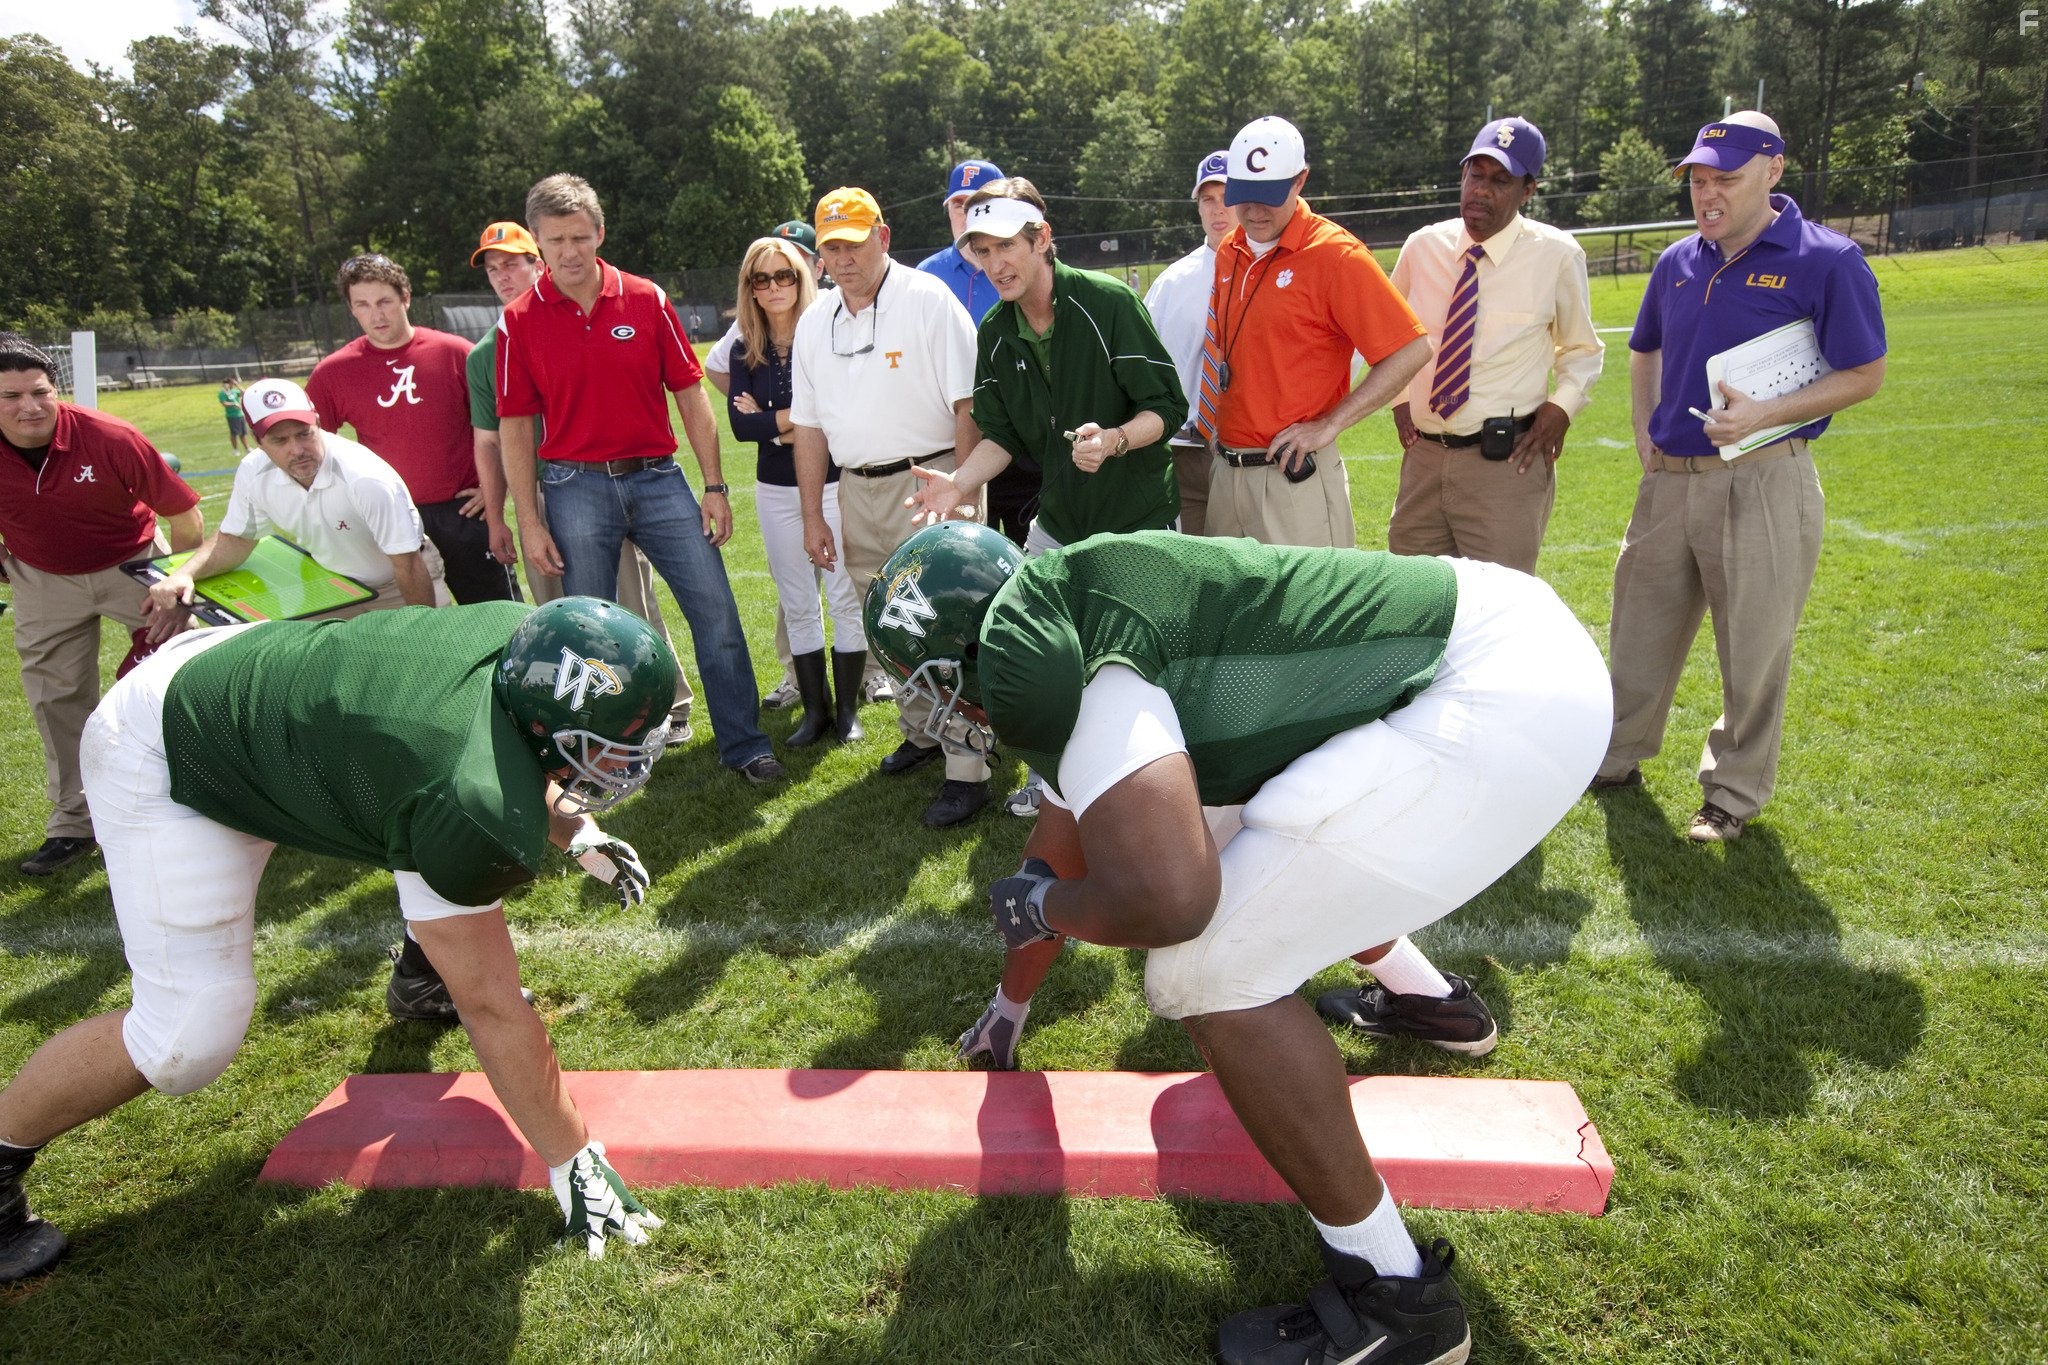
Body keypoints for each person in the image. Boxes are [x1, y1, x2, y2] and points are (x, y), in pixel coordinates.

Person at [865, 522, 1606, 1365]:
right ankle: (1430, 1001)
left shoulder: (1078, 675)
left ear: (970, 656)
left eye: (933, 685)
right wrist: (1011, 1005)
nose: (943, 710)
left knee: (1205, 970)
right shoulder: (1073, 623)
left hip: (1498, 697)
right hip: (1509, 646)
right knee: (1255, 851)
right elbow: (1059, 850)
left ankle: (1398, 1300)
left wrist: (1048, 906)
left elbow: (1167, 900)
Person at [0, 596, 677, 1285]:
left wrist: (578, 830)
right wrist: (572, 1157)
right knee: (184, 1036)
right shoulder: (463, 791)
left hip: (262, 687)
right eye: (608, 748)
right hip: (173, 747)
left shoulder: (522, 637)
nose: (625, 766)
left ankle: (423, 973)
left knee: (427, 815)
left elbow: (495, 748)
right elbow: (493, 1006)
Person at [1589, 112, 1886, 843]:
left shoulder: (1828, 260)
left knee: (1753, 650)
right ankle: (1614, 757)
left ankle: (1732, 792)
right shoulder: (1677, 260)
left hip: (1763, 480)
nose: (1707, 193)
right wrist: (1644, 429)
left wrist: (1766, 415)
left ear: (1773, 170)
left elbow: (1864, 372)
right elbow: (1644, 348)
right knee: (1637, 635)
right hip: (1670, 482)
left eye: (1725, 178)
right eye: (1698, 179)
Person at [906, 177, 1186, 818]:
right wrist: (960, 482)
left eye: (1007, 245)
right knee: (1043, 655)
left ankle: (1157, 782)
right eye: (982, 250)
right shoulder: (995, 331)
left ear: (1041, 240)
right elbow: (1002, 436)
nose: (995, 263)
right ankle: (1054, 780)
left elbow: (1166, 408)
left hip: (1136, 518)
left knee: (1142, 662)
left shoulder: (1108, 302)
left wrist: (1114, 440)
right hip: (1059, 520)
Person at [496, 173, 783, 784]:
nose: (570, 252)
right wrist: (529, 519)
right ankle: (605, 758)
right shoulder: (519, 319)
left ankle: (744, 744)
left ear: (599, 234)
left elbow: (690, 393)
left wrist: (714, 485)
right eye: (555, 240)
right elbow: (515, 424)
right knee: (589, 639)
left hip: (658, 481)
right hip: (573, 489)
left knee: (716, 614)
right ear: (538, 243)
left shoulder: (646, 298)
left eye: (580, 237)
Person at [791, 187, 988, 827]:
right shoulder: (815, 321)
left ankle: (968, 761)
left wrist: (960, 491)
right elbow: (809, 426)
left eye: (854, 243)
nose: (843, 259)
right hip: (856, 486)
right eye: (831, 248)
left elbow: (968, 405)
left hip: (931, 475)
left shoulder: (928, 298)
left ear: (883, 237)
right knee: (886, 616)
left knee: (945, 618)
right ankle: (924, 730)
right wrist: (814, 514)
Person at [466, 218, 696, 748]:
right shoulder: (485, 352)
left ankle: (669, 702)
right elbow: (490, 441)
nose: (503, 276)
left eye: (513, 264)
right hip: (538, 495)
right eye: (494, 269)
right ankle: (602, 719)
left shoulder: (580, 316)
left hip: (596, 482)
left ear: (538, 262)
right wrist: (503, 517)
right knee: (565, 619)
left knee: (632, 603)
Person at [0, 335, 203, 876]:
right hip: (41, 577)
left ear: (56, 389)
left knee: (183, 676)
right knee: (56, 699)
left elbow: (186, 517)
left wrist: (178, 586)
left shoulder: (110, 436)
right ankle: (74, 822)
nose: (29, 407)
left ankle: (204, 797)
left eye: (39, 392)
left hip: (133, 566)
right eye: (11, 396)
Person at [1198, 116, 1431, 548]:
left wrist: (1329, 425)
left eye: (1269, 196)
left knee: (1304, 597)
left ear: (1300, 180)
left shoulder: (1336, 256)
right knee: (1224, 596)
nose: (1254, 211)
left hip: (1292, 479)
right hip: (1228, 473)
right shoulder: (1231, 248)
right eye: (1244, 195)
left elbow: (1412, 349)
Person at [1385, 117, 1604, 574]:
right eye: (1475, 174)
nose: (1481, 190)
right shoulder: (1423, 247)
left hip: (1505, 465)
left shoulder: (1557, 255)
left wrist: (1561, 408)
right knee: (1412, 601)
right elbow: (1389, 335)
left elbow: (1582, 350)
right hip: (1423, 459)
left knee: (1500, 606)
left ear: (1528, 190)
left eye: (1501, 180)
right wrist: (1400, 399)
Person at [306, 254, 520, 604]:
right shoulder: (333, 373)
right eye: (363, 305)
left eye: (384, 302)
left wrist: (495, 487)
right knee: (415, 622)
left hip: (463, 511)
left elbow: (503, 429)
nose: (376, 315)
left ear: (405, 298)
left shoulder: (455, 353)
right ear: (351, 309)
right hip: (390, 517)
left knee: (497, 614)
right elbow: (312, 447)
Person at [149, 378, 442, 626]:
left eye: (304, 434)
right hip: (334, 586)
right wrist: (184, 574)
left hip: (400, 582)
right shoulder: (253, 471)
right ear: (258, 440)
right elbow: (237, 538)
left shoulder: (365, 478)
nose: (297, 450)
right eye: (280, 440)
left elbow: (407, 565)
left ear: (318, 422)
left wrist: (423, 630)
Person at [725, 234, 866, 748]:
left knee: (844, 595)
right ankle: (815, 712)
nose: (774, 286)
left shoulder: (826, 334)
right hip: (775, 491)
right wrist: (802, 424)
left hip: (834, 484)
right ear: (750, 288)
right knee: (798, 600)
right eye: (761, 278)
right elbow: (741, 428)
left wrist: (774, 423)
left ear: (801, 277)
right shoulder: (743, 349)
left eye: (784, 274)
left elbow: (840, 410)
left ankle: (848, 711)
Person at [918, 159, 1042, 546]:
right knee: (969, 559)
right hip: (955, 441)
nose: (965, 213)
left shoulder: (1025, 272)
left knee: (1029, 553)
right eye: (958, 204)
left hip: (1024, 439)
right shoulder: (926, 276)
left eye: (975, 202)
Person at [1144, 150, 1234, 536]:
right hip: (1184, 449)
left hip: (1251, 451)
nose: (1217, 209)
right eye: (1207, 199)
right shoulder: (1172, 283)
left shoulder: (1274, 271)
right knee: (1192, 563)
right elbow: (1144, 367)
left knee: (1253, 562)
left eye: (1227, 197)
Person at [218, 376, 250, 455]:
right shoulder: (222, 393)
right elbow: (224, 403)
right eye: (231, 383)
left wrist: (237, 385)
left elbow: (244, 393)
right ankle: (235, 450)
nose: (232, 385)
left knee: (243, 433)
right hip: (232, 416)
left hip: (240, 414)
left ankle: (247, 448)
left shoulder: (234, 391)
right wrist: (234, 404)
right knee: (234, 433)